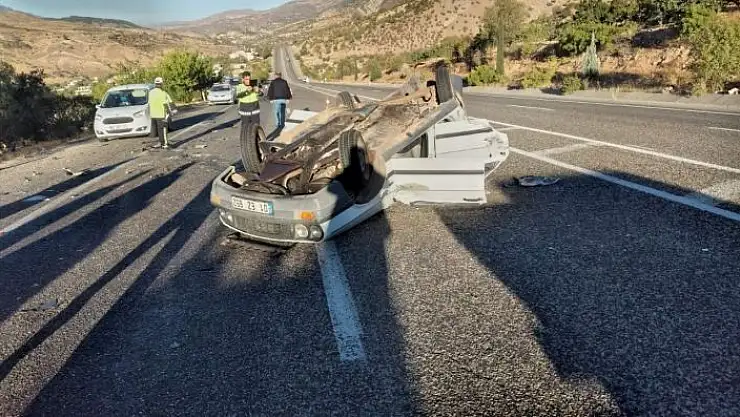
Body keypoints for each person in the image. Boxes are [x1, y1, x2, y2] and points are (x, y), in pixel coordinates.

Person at [148, 77, 174, 149]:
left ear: (155, 84)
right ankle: (165, 144)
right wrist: (171, 112)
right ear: (162, 84)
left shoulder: (151, 92)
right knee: (163, 130)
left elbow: (149, 103)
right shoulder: (163, 93)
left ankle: (160, 142)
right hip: (161, 114)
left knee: (159, 130)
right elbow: (167, 103)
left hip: (153, 115)